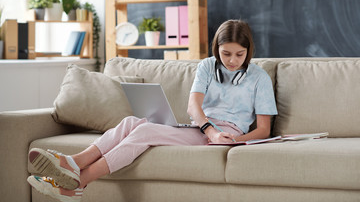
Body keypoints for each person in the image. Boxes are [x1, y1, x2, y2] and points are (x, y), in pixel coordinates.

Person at [27, 19, 278, 202]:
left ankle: (76, 183)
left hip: (226, 135)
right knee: (130, 122)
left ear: (249, 52)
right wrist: (209, 130)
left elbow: (264, 129)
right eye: (225, 54)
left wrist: (234, 141)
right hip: (202, 128)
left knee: (144, 131)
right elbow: (193, 106)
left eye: (239, 55)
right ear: (216, 50)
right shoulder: (207, 67)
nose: (232, 61)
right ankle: (73, 162)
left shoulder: (259, 78)